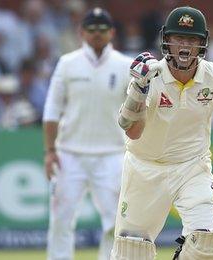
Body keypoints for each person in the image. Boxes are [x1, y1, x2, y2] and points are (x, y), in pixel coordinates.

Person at [110, 6, 213, 260]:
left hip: (192, 165)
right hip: (145, 168)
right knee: (131, 252)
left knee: (208, 243)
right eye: (179, 38)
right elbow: (133, 132)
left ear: (202, 44)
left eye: (191, 39)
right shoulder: (149, 78)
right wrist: (138, 92)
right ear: (167, 41)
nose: (185, 46)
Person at [42, 7, 130, 260]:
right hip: (69, 153)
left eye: (102, 30)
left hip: (113, 153)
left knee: (116, 222)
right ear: (81, 32)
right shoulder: (68, 63)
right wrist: (50, 151)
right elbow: (52, 109)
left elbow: (137, 112)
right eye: (91, 30)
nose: (97, 35)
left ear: (112, 32)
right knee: (61, 219)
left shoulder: (125, 65)